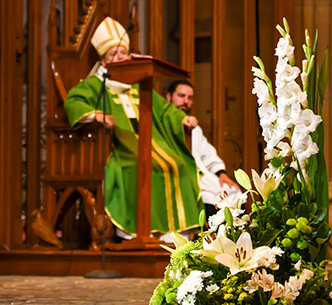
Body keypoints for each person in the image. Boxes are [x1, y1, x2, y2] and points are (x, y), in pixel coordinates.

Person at [64, 17, 203, 238]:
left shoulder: (138, 85)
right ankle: (139, 233)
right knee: (139, 167)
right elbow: (73, 101)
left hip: (152, 141)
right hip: (119, 146)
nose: (120, 58)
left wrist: (181, 119)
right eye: (113, 54)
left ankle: (178, 235)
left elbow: (165, 110)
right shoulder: (94, 85)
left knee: (179, 165)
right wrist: (96, 115)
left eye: (123, 53)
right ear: (104, 60)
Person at [164, 80, 240, 219]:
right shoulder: (161, 125)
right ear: (169, 97)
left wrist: (221, 173)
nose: (185, 101)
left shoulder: (195, 129)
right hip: (178, 176)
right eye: (181, 96)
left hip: (201, 176)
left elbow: (208, 155)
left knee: (233, 193)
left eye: (190, 98)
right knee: (205, 196)